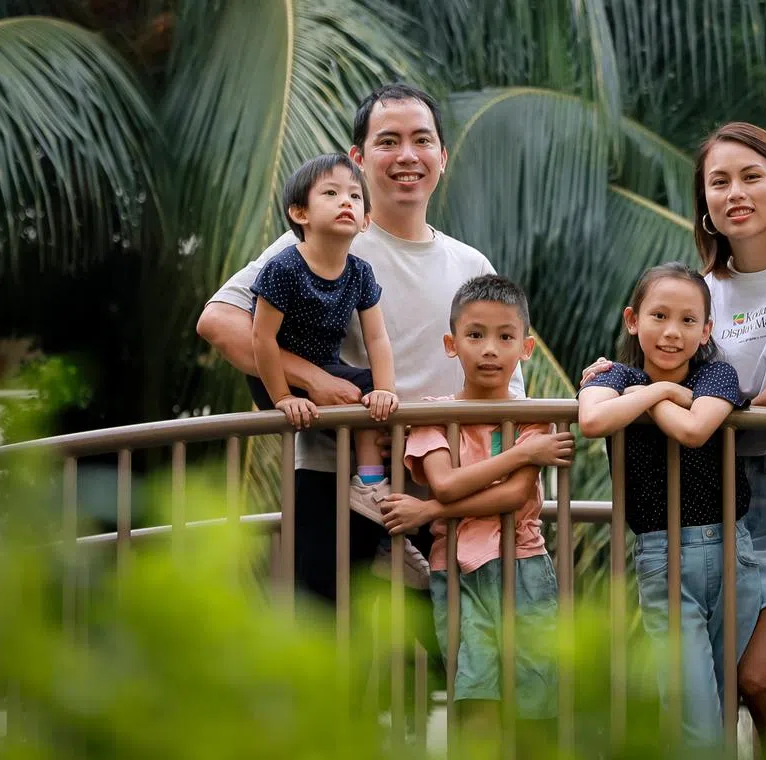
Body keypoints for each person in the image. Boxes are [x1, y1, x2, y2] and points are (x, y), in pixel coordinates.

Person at [583, 123, 766, 739]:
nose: (734, 192)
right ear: (705, 204)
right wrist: (624, 379)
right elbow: (665, 361)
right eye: (719, 182)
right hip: (729, 508)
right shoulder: (705, 291)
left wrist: (690, 403)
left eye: (751, 177)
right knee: (726, 683)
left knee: (763, 678)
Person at [195, 84, 524, 604]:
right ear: (358, 158)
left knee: (460, 660)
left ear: (442, 155)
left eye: (422, 141)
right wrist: (317, 381)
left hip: (443, 488)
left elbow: (509, 390)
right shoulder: (320, 239)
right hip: (337, 481)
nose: (407, 156)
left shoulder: (471, 266)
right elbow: (220, 321)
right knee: (331, 658)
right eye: (388, 141)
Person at [576, 263, 763, 748]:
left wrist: (644, 397)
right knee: (692, 713)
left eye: (687, 321)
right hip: (663, 555)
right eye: (659, 316)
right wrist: (661, 390)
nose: (672, 333)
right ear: (633, 320)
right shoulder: (612, 375)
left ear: (706, 331)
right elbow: (593, 420)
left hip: (732, 553)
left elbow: (695, 429)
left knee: (722, 707)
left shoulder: (716, 374)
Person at [378, 275, 572, 740]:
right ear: (452, 343)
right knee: (475, 701)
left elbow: (513, 497)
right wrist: (524, 454)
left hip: (524, 564)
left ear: (525, 348)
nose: (490, 349)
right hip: (457, 573)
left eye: (505, 337)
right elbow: (445, 485)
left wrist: (426, 514)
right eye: (475, 335)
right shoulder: (434, 415)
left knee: (536, 702)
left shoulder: (533, 414)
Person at [247, 152, 436, 576]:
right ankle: (373, 493)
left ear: (366, 220)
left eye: (354, 195)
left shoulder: (360, 272)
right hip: (274, 374)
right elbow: (260, 338)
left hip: (331, 371)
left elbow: (377, 338)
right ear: (300, 213)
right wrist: (280, 397)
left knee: (372, 388)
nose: (346, 201)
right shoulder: (284, 267)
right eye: (330, 193)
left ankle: (369, 486)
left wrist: (385, 390)